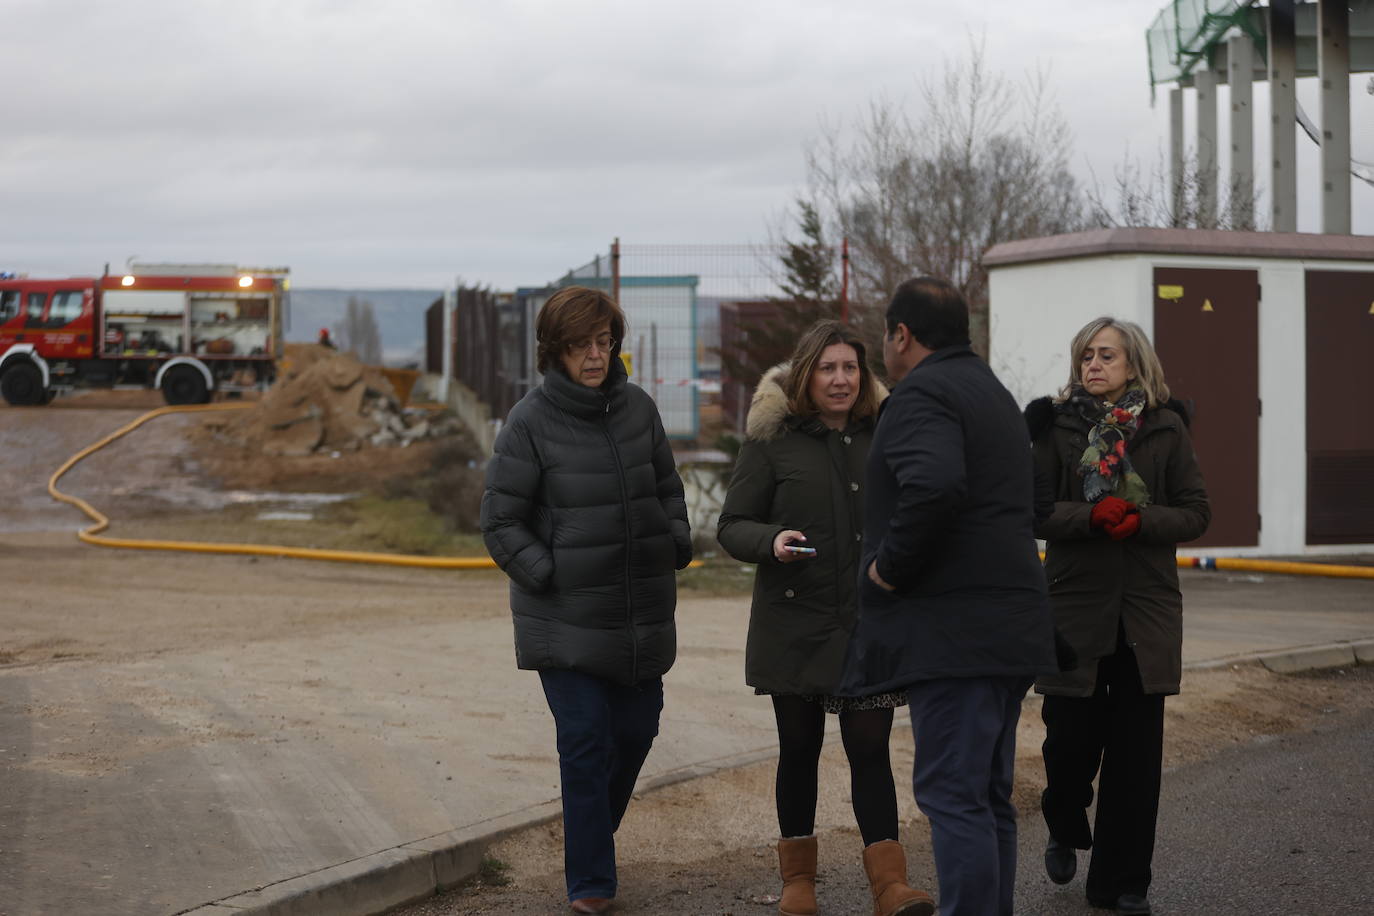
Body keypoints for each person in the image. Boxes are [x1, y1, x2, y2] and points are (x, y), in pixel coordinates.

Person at [839, 277, 1057, 916]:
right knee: (987, 797)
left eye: (885, 333)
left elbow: (933, 487)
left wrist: (888, 571)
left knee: (954, 795)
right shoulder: (990, 391)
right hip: (1010, 629)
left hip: (958, 635)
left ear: (901, 335)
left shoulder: (921, 394)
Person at [480, 285, 693, 915]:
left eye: (603, 343)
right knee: (585, 741)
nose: (595, 357)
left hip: (638, 614)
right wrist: (549, 574)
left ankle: (590, 844)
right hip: (565, 621)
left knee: (635, 735)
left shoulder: (640, 410)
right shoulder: (530, 422)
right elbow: (500, 522)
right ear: (556, 351)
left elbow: (668, 486)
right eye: (580, 346)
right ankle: (592, 882)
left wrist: (674, 540)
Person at [718, 320, 934, 916]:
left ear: (863, 375)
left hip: (869, 624)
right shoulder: (771, 439)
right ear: (806, 373)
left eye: (850, 368)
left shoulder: (885, 433)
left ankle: (891, 885)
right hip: (794, 621)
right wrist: (772, 540)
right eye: (827, 368)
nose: (840, 379)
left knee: (871, 749)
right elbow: (730, 524)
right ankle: (799, 886)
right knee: (799, 747)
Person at [1025, 317, 1210, 916]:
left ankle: (1123, 883)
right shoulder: (1054, 429)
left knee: (1135, 759)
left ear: (1135, 364)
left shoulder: (1164, 428)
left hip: (1145, 613)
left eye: (1107, 355)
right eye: (1086, 356)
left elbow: (1195, 511)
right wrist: (1088, 518)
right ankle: (1063, 819)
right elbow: (1034, 511)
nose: (1094, 365)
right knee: (1069, 743)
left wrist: (1141, 520)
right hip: (1075, 608)